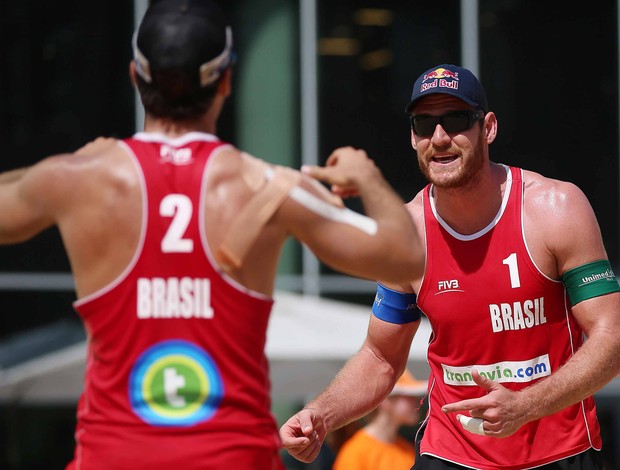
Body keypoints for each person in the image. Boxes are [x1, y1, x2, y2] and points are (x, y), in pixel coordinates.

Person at [0, 1, 425, 469]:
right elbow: (405, 256)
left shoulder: (80, 181)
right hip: (230, 457)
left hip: (114, 456)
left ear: (135, 77)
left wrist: (58, 168)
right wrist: (368, 179)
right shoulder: (269, 186)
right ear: (225, 81)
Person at [280, 63, 620, 469]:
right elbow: (381, 357)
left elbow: (611, 337)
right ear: (413, 136)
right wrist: (320, 415)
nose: (439, 138)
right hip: (450, 453)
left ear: (488, 127)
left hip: (559, 452)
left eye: (457, 120)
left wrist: (526, 406)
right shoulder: (406, 234)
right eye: (424, 124)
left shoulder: (555, 208)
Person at [332, 369, 427, 470]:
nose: (417, 401)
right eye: (409, 396)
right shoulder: (356, 453)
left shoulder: (408, 451)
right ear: (385, 400)